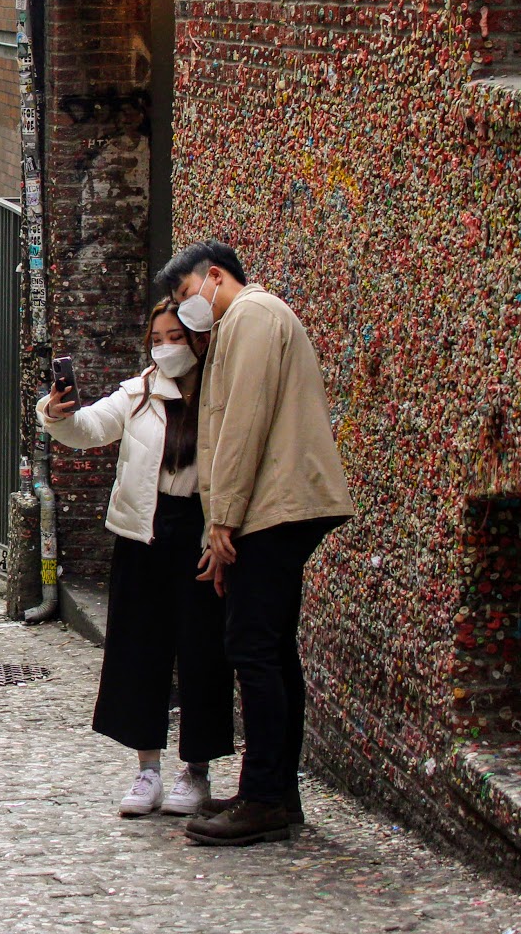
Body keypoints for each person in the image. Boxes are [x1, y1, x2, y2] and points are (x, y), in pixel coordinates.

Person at [156, 239, 355, 847]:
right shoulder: (242, 325)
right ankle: (273, 791)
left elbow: (241, 425)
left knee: (254, 646)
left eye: (187, 294)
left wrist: (222, 525)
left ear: (214, 276)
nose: (187, 310)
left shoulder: (253, 316)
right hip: (270, 507)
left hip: (275, 506)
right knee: (266, 645)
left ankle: (268, 796)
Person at [40, 297, 234, 819]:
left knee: (202, 652)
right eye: (158, 338)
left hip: (200, 531)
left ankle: (196, 771)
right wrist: (55, 414)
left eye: (176, 336)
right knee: (136, 651)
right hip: (141, 530)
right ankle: (147, 767)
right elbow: (88, 429)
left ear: (199, 338)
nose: (166, 347)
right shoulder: (140, 391)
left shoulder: (221, 394)